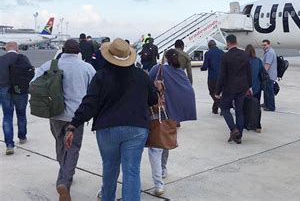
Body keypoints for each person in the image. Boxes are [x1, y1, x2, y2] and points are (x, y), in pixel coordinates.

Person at [65, 38, 158, 201]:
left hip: (107, 128)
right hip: (136, 128)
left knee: (109, 168)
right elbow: (153, 100)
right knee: (131, 171)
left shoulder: (101, 76)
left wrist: (73, 125)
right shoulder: (141, 76)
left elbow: (89, 103)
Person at [32, 39, 96, 201]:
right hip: (76, 116)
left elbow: (33, 84)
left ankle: (64, 172)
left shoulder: (50, 65)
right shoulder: (86, 67)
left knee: (60, 144)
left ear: (63, 50)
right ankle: (65, 181)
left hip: (55, 113)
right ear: (78, 51)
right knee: (73, 147)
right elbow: (94, 90)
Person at [148, 49, 197, 196]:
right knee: (165, 143)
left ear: (165, 58)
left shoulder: (158, 69)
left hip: (158, 113)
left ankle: (158, 183)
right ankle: (163, 169)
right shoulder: (180, 72)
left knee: (155, 147)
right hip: (171, 115)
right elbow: (188, 91)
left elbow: (148, 86)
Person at [215, 35, 252, 144]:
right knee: (239, 111)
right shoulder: (245, 54)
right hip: (242, 87)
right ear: (236, 41)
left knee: (225, 108)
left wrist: (217, 91)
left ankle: (233, 129)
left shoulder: (225, 56)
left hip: (229, 87)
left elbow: (221, 75)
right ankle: (239, 136)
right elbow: (249, 72)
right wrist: (249, 87)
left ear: (228, 43)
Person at [0, 42, 33, 155]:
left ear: (6, 49)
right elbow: (30, 72)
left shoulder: (1, 59)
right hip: (20, 90)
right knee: (21, 114)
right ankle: (22, 136)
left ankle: (9, 144)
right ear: (17, 49)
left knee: (7, 116)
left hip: (4, 89)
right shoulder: (22, 58)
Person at [244, 44, 264, 132]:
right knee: (257, 106)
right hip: (256, 87)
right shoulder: (258, 61)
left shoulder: (244, 61)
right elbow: (262, 73)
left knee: (245, 107)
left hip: (245, 88)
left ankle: (247, 124)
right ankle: (258, 125)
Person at [200, 40, 224, 114]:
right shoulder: (222, 53)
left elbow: (205, 66)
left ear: (209, 46)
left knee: (212, 92)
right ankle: (215, 108)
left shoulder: (208, 53)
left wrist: (202, 68)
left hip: (213, 77)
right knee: (219, 92)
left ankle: (222, 106)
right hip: (222, 76)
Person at [261, 39, 277, 111]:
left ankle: (271, 107)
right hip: (270, 75)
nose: (264, 46)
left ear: (269, 45)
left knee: (269, 91)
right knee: (266, 90)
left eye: (265, 45)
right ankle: (266, 103)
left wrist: (262, 74)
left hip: (269, 75)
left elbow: (267, 65)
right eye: (263, 45)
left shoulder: (269, 53)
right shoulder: (269, 52)